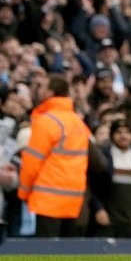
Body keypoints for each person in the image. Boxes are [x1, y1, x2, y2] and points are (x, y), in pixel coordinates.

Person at [17, 75, 91, 237]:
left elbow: (32, 162)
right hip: (73, 200)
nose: (38, 90)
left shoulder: (47, 121)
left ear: (50, 92)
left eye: (42, 87)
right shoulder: (77, 121)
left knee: (46, 252)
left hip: (48, 200)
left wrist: (23, 192)